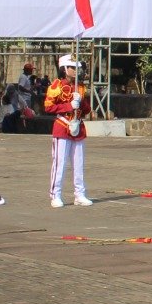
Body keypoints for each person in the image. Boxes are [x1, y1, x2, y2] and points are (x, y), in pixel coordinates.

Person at [44, 54, 92, 207]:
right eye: (72, 67)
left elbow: (87, 110)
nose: (76, 70)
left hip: (78, 126)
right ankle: (55, 194)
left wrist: (81, 102)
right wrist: (68, 106)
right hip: (62, 125)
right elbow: (48, 107)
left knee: (78, 163)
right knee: (60, 163)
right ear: (64, 69)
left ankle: (80, 194)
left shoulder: (81, 87)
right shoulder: (56, 86)